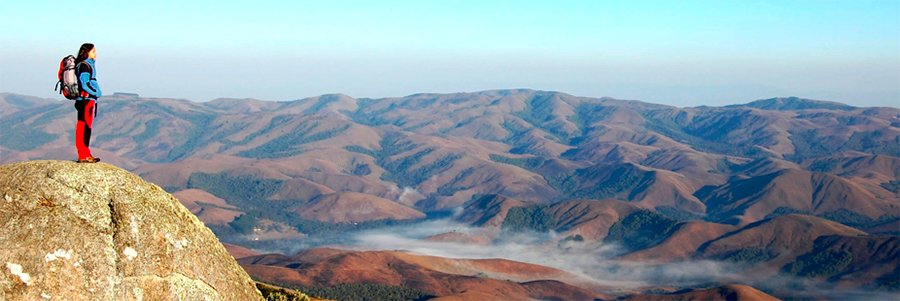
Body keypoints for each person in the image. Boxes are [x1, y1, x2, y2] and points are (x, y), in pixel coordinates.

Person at [74, 43, 102, 163]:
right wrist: (95, 93)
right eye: (93, 51)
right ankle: (83, 155)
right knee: (85, 127)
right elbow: (84, 83)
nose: (96, 53)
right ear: (87, 52)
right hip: (87, 100)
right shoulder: (85, 66)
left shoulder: (83, 65)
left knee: (83, 127)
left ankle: (85, 153)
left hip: (83, 100)